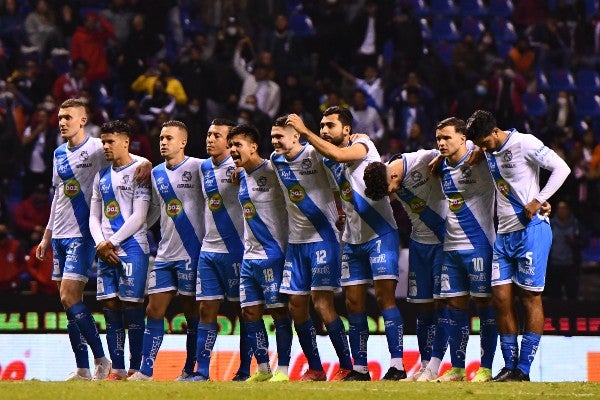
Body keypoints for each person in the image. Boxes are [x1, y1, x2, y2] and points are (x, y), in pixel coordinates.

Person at [35, 98, 150, 381]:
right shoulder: (58, 153)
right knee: (66, 303)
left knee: (68, 296)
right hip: (60, 233)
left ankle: (101, 358)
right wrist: (46, 235)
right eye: (60, 117)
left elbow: (130, 154)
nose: (62, 121)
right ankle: (83, 368)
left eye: (68, 117)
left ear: (83, 120)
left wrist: (147, 162)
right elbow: (58, 196)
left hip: (83, 234)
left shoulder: (98, 148)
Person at [287, 108, 404, 381]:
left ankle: (397, 364)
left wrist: (305, 131)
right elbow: (336, 189)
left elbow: (337, 154)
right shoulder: (328, 162)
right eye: (321, 125)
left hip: (380, 234)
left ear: (347, 130)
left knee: (385, 298)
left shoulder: (363, 145)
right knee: (353, 304)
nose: (325, 129)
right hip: (352, 239)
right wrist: (341, 212)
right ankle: (360, 368)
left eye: (330, 125)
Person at [465, 110, 571, 381]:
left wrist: (539, 199)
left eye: (484, 142)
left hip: (531, 231)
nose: (482, 148)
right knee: (500, 299)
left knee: (529, 297)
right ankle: (509, 366)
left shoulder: (525, 143)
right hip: (504, 235)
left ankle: (523, 369)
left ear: (495, 131)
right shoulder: (486, 149)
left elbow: (562, 168)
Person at [270, 116, 352, 381]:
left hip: (322, 238)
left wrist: (342, 211)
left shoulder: (316, 155)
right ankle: (315, 368)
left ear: (296, 136)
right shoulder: (275, 159)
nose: (274, 141)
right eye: (272, 137)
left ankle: (346, 365)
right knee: (296, 306)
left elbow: (341, 181)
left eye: (279, 136)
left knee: (322, 304)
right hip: (296, 243)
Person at [363, 148, 450, 381]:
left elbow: (454, 150)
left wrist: (442, 157)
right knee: (422, 308)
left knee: (443, 306)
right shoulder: (386, 172)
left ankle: (436, 365)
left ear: (392, 177)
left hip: (443, 241)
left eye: (390, 191)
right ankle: (424, 366)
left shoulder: (423, 159)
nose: (391, 195)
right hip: (418, 244)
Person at [128, 120, 205, 381]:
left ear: (183, 142)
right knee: (153, 309)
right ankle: (146, 371)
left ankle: (190, 369)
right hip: (164, 253)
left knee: (192, 313)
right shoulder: (156, 173)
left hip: (191, 253)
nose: (163, 142)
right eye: (161, 138)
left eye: (169, 138)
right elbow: (153, 213)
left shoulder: (197, 167)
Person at [227, 124, 293, 382]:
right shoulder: (241, 174)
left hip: (273, 254)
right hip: (249, 257)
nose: (233, 149)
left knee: (278, 313)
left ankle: (284, 369)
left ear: (253, 147)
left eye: (238, 145)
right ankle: (263, 368)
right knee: (249, 313)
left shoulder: (273, 170)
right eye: (231, 145)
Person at [89, 120, 151, 380]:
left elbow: (139, 216)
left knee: (132, 309)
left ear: (126, 142)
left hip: (133, 249)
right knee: (111, 309)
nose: (105, 146)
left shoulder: (141, 170)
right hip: (105, 251)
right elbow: (94, 216)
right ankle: (118, 368)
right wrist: (99, 244)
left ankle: (136, 368)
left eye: (110, 141)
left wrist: (110, 242)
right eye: (103, 141)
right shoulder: (100, 175)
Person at [191, 119, 250, 381]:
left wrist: (246, 170)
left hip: (237, 250)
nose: (210, 139)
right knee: (206, 310)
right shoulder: (203, 167)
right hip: (209, 249)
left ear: (230, 142)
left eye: (217, 135)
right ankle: (202, 371)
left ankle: (246, 369)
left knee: (244, 312)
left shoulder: (243, 167)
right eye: (208, 134)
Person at [546, 201, 586, 300]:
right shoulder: (550, 224)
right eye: (559, 208)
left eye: (564, 208)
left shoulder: (576, 224)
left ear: (568, 210)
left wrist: (573, 242)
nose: (561, 210)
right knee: (554, 295)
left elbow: (584, 242)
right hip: (554, 265)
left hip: (571, 265)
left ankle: (572, 315)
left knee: (572, 295)